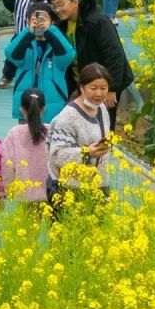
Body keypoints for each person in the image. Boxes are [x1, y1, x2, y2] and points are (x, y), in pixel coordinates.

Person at [50, 0, 135, 129]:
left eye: (61, 4)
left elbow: (115, 56)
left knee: (103, 128)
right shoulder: (60, 26)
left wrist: (110, 88)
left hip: (102, 86)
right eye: (54, 6)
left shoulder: (98, 22)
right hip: (80, 85)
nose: (58, 10)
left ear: (75, 2)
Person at [47, 63, 114, 204]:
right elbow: (56, 155)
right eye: (93, 88)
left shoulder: (101, 108)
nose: (99, 93)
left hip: (99, 185)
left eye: (103, 88)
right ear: (82, 88)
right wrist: (86, 152)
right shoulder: (68, 117)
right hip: (72, 190)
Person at [4, 5, 74, 123]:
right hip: (25, 103)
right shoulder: (24, 40)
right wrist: (28, 32)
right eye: (34, 19)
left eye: (44, 19)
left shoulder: (57, 43)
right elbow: (11, 55)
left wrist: (50, 31)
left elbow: (68, 56)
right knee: (24, 137)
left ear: (52, 22)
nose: (39, 22)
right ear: (28, 21)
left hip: (52, 105)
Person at [0, 0, 55, 89]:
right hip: (19, 35)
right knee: (12, 57)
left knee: (34, 57)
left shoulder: (47, 5)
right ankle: (7, 76)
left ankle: (36, 77)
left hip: (37, 37)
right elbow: (10, 4)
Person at [0, 88, 49, 203]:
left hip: (23, 195)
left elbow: (7, 165)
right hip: (50, 194)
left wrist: (9, 191)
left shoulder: (14, 133)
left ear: (21, 109)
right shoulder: (52, 130)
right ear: (44, 109)